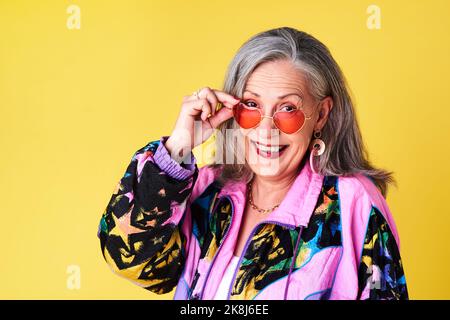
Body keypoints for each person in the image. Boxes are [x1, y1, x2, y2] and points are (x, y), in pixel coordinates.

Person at [97, 27, 408, 300]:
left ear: (322, 114)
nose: (266, 130)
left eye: (288, 108)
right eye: (251, 105)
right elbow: (133, 262)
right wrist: (179, 147)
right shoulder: (210, 190)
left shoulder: (352, 203)